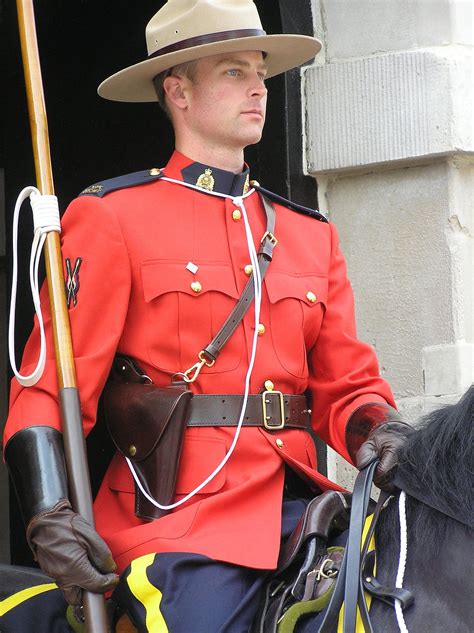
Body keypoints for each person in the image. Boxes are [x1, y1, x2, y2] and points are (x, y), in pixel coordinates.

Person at [3, 1, 412, 631]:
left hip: (302, 502)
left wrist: (388, 438)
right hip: (181, 518)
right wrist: (48, 510)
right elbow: (51, 383)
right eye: (232, 71)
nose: (257, 87)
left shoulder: (308, 234)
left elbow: (346, 386)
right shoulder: (113, 217)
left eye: (260, 72)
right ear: (178, 91)